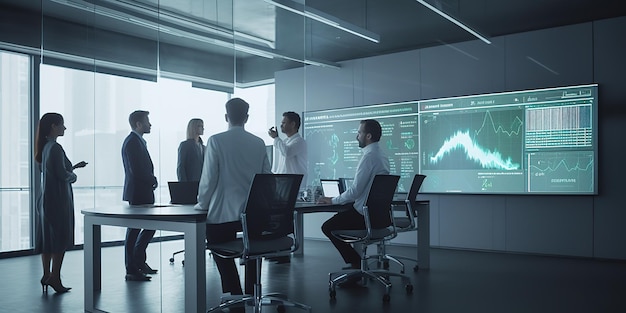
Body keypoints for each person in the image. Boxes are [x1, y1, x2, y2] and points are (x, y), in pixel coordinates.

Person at [195, 98, 271, 298]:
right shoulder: (259, 142)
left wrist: (202, 205)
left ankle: (233, 294)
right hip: (254, 214)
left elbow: (209, 178)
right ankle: (251, 293)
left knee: (217, 245)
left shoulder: (216, 140)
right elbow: (267, 178)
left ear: (226, 117)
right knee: (254, 249)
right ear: (246, 117)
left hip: (223, 215)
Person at [317, 119, 390, 274]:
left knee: (328, 227)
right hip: (378, 217)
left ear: (368, 136)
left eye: (359, 133)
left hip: (364, 216)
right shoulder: (382, 155)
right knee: (343, 214)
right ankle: (357, 263)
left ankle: (356, 263)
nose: (357, 136)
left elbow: (356, 191)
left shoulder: (368, 157)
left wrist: (333, 200)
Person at [34, 113, 87, 293]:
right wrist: (74, 175)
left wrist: (73, 166)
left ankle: (46, 274)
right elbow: (62, 174)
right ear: (54, 126)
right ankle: (55, 277)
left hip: (46, 199)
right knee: (60, 239)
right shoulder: (56, 148)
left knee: (48, 239)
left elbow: (51, 170)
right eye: (62, 125)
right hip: (58, 199)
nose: (65, 128)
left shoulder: (45, 148)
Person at [121, 110, 158, 281]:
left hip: (143, 191)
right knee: (134, 230)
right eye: (147, 121)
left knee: (148, 227)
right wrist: (152, 179)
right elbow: (135, 170)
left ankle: (139, 262)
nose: (150, 124)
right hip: (138, 192)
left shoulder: (137, 141)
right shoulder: (132, 142)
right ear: (138, 124)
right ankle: (132, 268)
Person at [267, 111, 307, 263]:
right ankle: (277, 250)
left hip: (292, 188)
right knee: (279, 219)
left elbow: (287, 153)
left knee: (285, 220)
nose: (281, 125)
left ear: (293, 124)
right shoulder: (285, 141)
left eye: (284, 122)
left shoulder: (299, 142)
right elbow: (280, 165)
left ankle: (283, 252)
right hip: (282, 187)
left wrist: (276, 138)